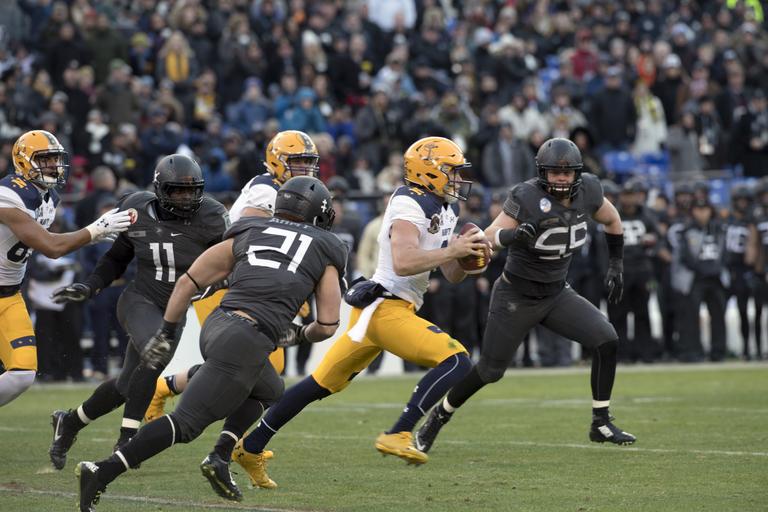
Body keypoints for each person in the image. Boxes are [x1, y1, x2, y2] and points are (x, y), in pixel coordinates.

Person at [223, 136, 484, 492]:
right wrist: (453, 250)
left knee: (318, 385)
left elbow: (450, 274)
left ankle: (250, 447)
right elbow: (405, 261)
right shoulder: (409, 201)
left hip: (389, 309)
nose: (458, 178)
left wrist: (468, 258)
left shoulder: (445, 208)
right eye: (451, 171)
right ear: (429, 171)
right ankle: (399, 432)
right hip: (386, 307)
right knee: (457, 361)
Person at [76, 176, 347, 509]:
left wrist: (167, 331)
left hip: (218, 324)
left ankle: (220, 456)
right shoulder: (326, 246)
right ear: (319, 213)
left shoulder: (250, 228)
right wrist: (300, 334)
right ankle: (101, 472)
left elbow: (189, 281)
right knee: (185, 425)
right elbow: (328, 324)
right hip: (246, 338)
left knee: (270, 390)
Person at [415, 137, 636, 454]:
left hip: (556, 293)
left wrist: (616, 264)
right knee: (489, 371)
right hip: (516, 296)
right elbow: (487, 238)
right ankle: (438, 416)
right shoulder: (527, 196)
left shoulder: (589, 190)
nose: (561, 178)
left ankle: (600, 422)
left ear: (577, 173)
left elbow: (612, 220)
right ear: (542, 173)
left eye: (567, 172)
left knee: (606, 339)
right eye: (554, 172)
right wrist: (512, 235)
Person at [48, 153, 229, 470]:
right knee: (154, 353)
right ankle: (127, 439)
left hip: (175, 311)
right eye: (177, 191)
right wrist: (90, 286)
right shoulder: (136, 209)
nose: (185, 198)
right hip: (140, 300)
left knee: (126, 385)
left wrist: (215, 284)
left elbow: (229, 262)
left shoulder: (212, 217)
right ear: (160, 189)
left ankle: (70, 422)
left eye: (191, 191)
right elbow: (116, 258)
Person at [143, 130, 321, 422]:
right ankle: (179, 403)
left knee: (257, 366)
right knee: (247, 364)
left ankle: (168, 390)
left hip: (244, 283)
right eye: (298, 161)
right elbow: (256, 237)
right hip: (224, 282)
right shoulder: (267, 191)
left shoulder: (290, 191)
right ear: (276, 161)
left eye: (309, 162)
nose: (305, 168)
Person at [0, 129, 131, 406]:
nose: (52, 165)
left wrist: (92, 235)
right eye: (44, 159)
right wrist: (95, 230)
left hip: (10, 295)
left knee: (22, 375)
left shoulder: (48, 198)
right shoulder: (8, 194)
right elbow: (52, 247)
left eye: (55, 159)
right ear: (23, 161)